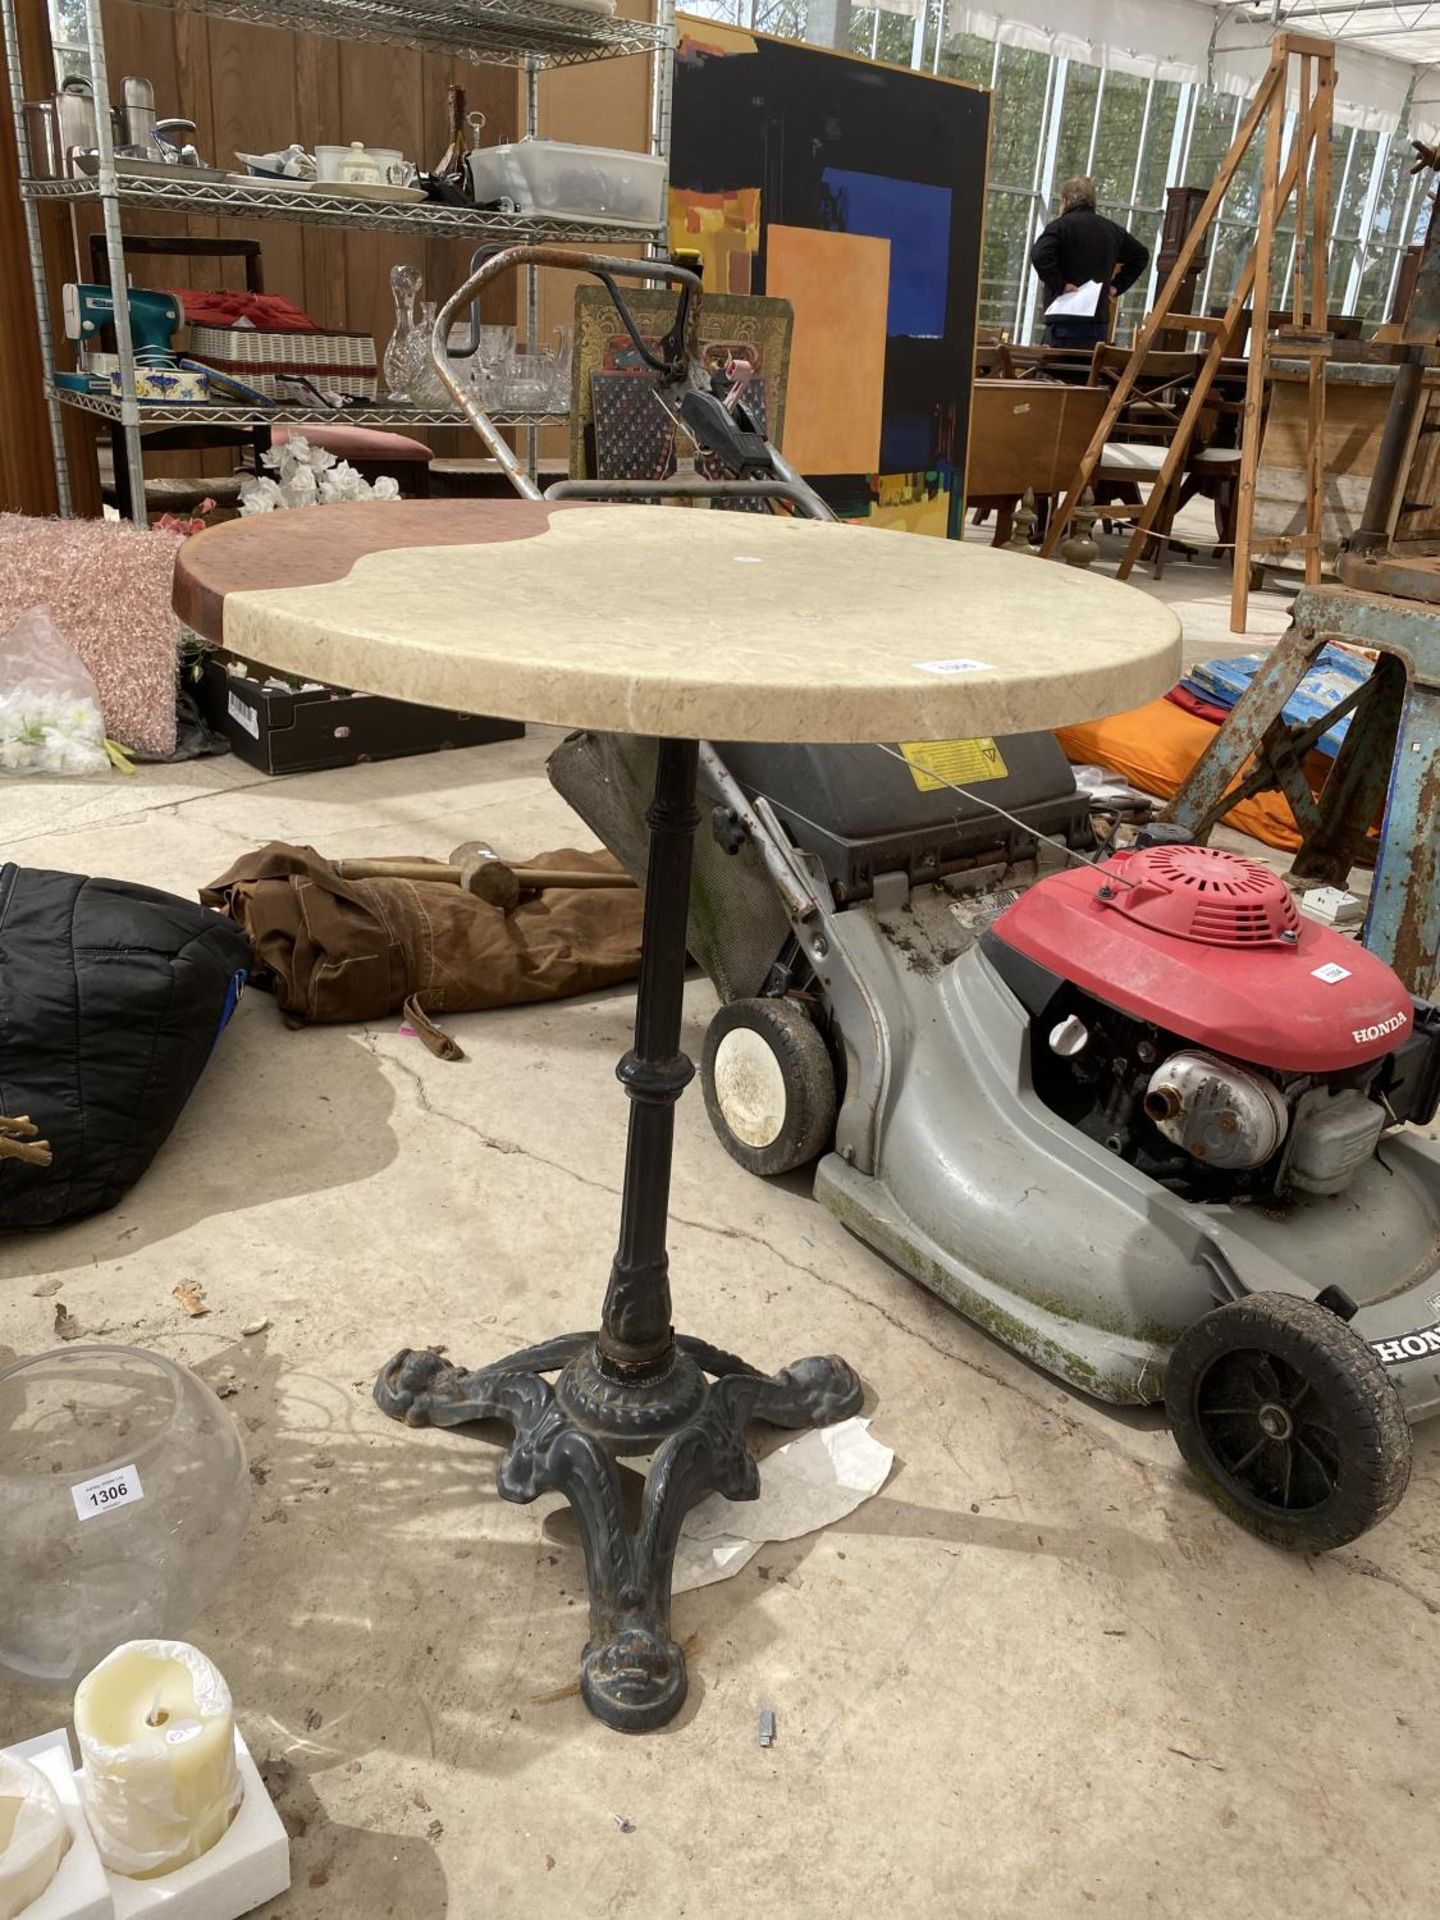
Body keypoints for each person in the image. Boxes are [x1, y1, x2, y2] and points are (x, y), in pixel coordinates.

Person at [1030, 177, 1150, 349]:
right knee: (1089, 373)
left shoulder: (1060, 227)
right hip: (1097, 324)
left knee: (1052, 373)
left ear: (1065, 201)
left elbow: (1040, 254)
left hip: (1063, 321)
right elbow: (1141, 255)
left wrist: (1060, 284)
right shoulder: (1112, 230)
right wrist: (1117, 286)